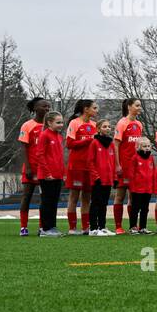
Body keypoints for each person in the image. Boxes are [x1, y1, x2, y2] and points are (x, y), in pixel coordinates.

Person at [17, 96, 49, 237]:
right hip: (31, 167)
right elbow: (23, 148)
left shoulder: (49, 125)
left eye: (48, 106)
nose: (47, 109)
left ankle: (42, 227)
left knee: (45, 198)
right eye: (44, 106)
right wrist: (28, 167)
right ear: (35, 108)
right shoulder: (27, 125)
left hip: (45, 168)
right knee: (27, 196)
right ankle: (23, 227)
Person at [65, 99, 98, 235]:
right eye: (94, 108)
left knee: (86, 197)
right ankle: (72, 228)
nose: (96, 110)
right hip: (76, 165)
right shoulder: (74, 123)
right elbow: (70, 143)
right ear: (86, 109)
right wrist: (88, 140)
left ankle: (86, 227)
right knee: (74, 196)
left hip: (90, 166)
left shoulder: (95, 124)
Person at [112, 97, 144, 234]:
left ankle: (133, 226)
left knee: (133, 196)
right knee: (120, 195)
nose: (139, 108)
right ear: (129, 107)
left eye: (140, 105)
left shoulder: (139, 124)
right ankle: (118, 226)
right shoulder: (122, 123)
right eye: (137, 105)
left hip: (135, 167)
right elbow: (116, 145)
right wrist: (117, 165)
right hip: (123, 165)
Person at [34, 111, 66, 237]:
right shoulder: (44, 135)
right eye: (58, 122)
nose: (61, 125)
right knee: (47, 202)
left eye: (62, 122)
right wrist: (47, 173)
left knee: (54, 202)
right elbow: (40, 155)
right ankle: (45, 229)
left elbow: (59, 157)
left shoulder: (58, 136)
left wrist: (62, 173)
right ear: (49, 122)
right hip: (47, 176)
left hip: (57, 175)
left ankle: (52, 226)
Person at [89, 118, 116, 235]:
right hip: (98, 180)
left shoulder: (111, 144)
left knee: (104, 204)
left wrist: (114, 178)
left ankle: (102, 227)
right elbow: (90, 162)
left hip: (108, 180)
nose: (107, 128)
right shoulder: (94, 143)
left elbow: (113, 162)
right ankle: (93, 229)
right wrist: (96, 177)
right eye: (104, 127)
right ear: (98, 129)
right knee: (95, 203)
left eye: (109, 126)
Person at [127, 137, 156, 234]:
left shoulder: (151, 158)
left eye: (148, 146)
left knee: (145, 209)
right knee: (135, 208)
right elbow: (131, 174)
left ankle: (143, 227)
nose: (147, 148)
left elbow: (153, 172)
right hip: (137, 189)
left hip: (148, 189)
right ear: (138, 147)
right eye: (144, 146)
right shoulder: (135, 158)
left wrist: (153, 185)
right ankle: (133, 227)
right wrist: (132, 187)